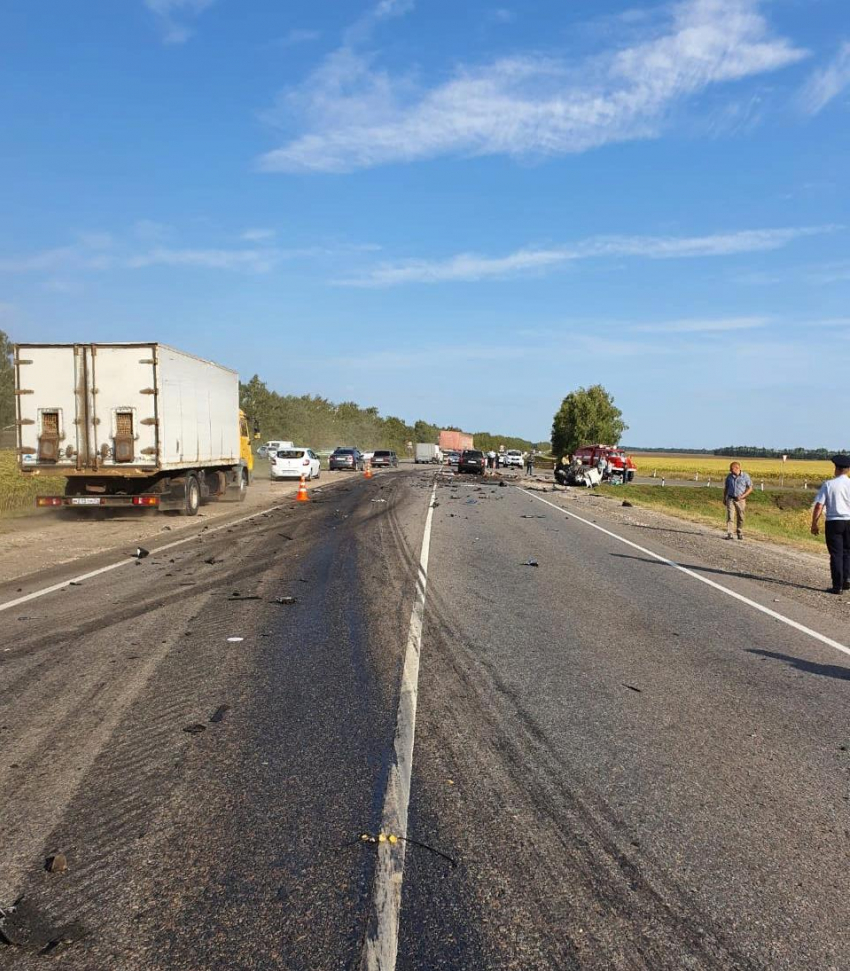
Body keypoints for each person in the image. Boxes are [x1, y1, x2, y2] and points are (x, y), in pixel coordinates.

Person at [811, 455, 850, 594]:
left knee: (836, 554)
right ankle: (847, 578)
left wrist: (814, 523)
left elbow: (819, 505)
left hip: (834, 522)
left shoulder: (829, 484)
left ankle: (837, 585)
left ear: (837, 468)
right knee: (847, 552)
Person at [723, 461, 752, 540]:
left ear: (737, 468)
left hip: (740, 500)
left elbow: (750, 488)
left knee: (741, 516)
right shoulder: (729, 476)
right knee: (730, 516)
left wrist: (742, 496)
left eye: (731, 469)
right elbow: (726, 488)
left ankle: (739, 532)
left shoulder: (745, 476)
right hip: (730, 498)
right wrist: (724, 498)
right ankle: (730, 533)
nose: (730, 470)